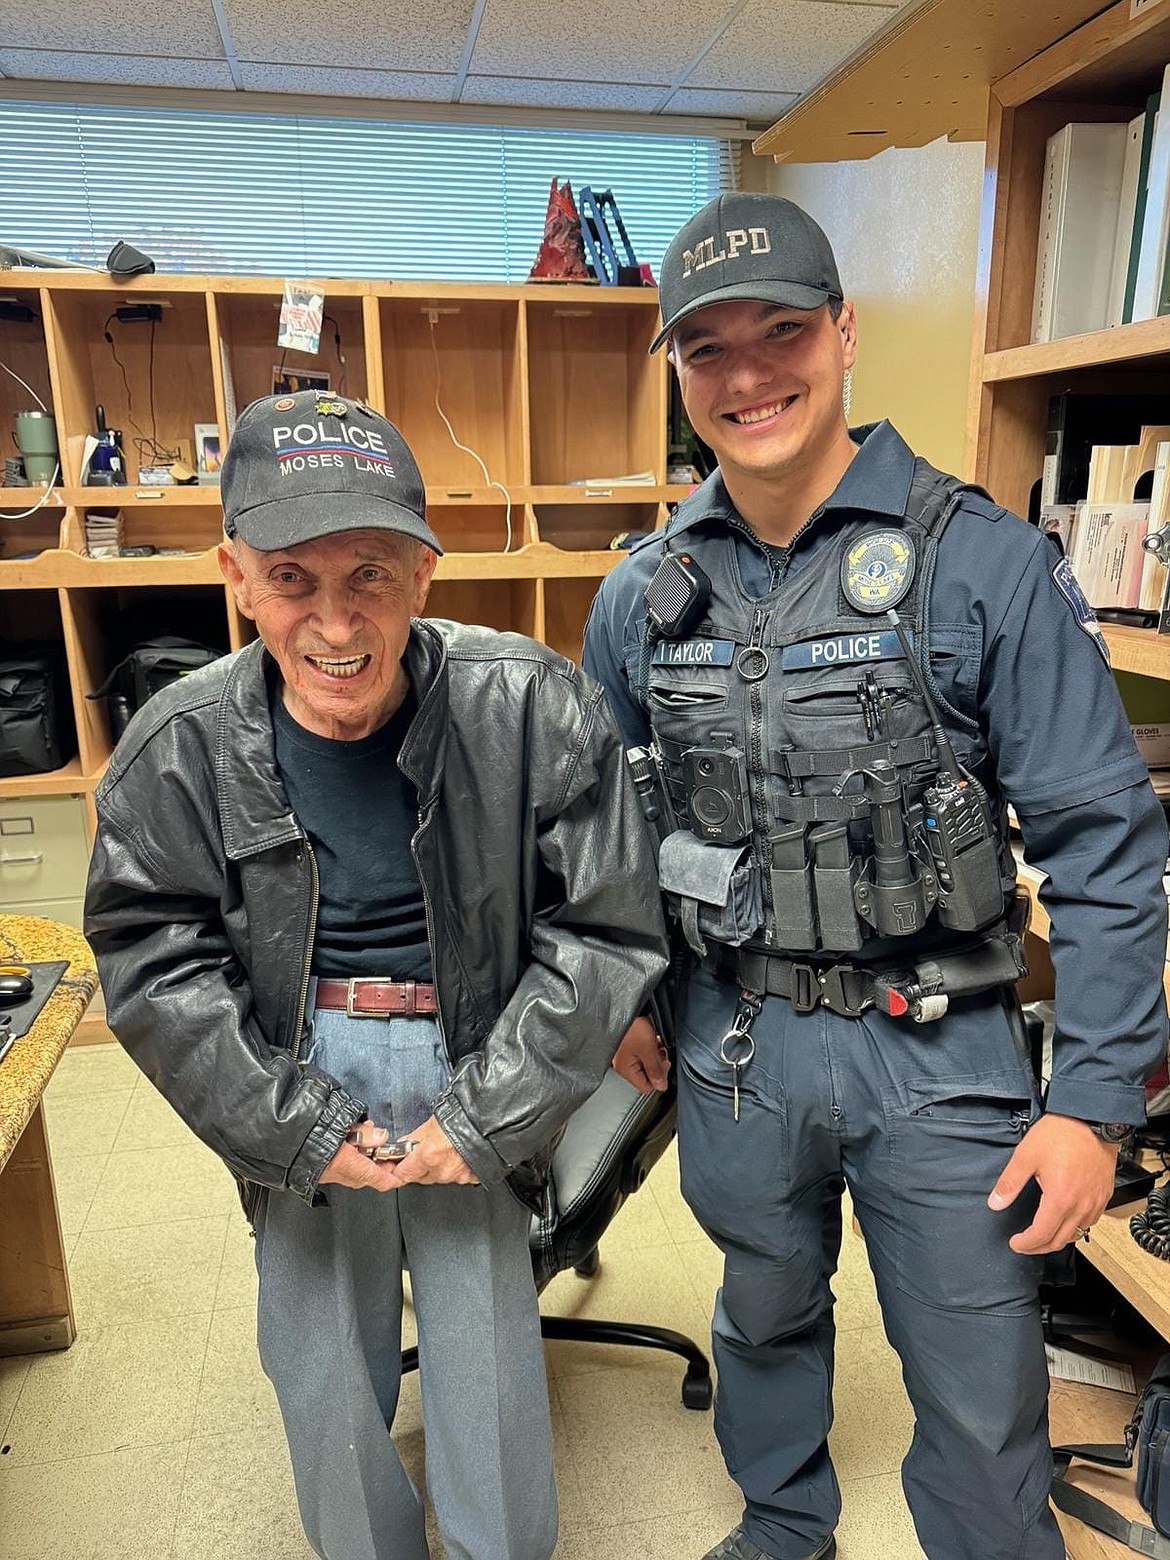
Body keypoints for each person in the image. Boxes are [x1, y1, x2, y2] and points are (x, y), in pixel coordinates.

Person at [583, 191, 1170, 1560]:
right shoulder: (638, 594)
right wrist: (623, 991)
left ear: (843, 334)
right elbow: (604, 821)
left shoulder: (985, 565)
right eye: (705, 348)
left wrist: (1090, 1105)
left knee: (974, 1388)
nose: (746, 376)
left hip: (940, 1052)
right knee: (763, 1312)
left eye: (780, 330)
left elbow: (1102, 841)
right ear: (675, 373)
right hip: (732, 1039)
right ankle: (783, 1524)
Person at [84, 388, 668, 1560]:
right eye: (292, 579)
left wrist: (486, 1114)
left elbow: (605, 928)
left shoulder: (532, 704)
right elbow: (153, 958)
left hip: (476, 1048)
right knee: (318, 1366)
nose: (333, 623)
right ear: (236, 575)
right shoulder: (177, 747)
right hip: (292, 1057)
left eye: (369, 577)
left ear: (423, 576)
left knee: (487, 1353)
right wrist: (296, 1129)